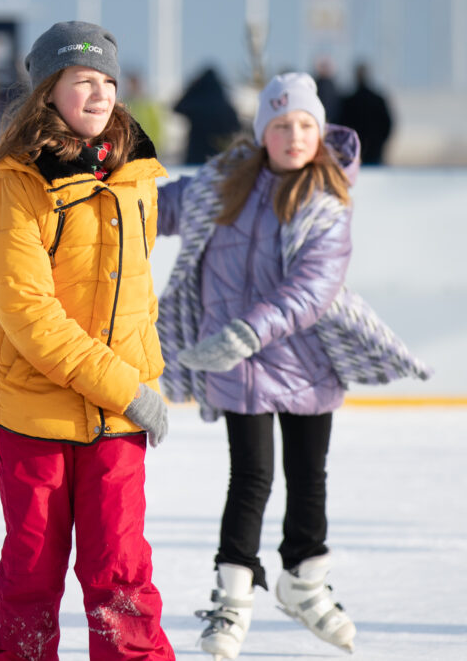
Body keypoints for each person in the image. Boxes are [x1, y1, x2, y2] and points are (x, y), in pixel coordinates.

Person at [155, 72, 431, 659]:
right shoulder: (222, 184)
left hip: (304, 361)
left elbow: (314, 288)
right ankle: (232, 596)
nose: (294, 135)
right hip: (239, 368)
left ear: (320, 129)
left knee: (309, 479)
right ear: (263, 133)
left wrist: (247, 331)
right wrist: (107, 182)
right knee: (250, 479)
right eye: (281, 125)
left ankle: (303, 583)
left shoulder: (326, 201)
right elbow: (162, 207)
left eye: (306, 124)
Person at [0, 21, 174, 660]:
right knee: (31, 578)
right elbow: (33, 320)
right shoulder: (17, 189)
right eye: (83, 81)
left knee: (121, 577)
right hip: (34, 410)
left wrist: (150, 373)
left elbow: (137, 296)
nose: (100, 94)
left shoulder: (135, 177)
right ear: (48, 92)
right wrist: (130, 388)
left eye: (108, 81)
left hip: (115, 416)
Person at [173, 65, 241, 164]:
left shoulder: (195, 102)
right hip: (219, 157)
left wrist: (193, 88)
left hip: (196, 154)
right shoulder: (223, 103)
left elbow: (178, 107)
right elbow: (236, 126)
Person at [338, 61, 393, 165]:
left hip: (355, 151)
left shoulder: (349, 101)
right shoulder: (377, 100)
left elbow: (342, 125)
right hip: (374, 150)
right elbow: (387, 124)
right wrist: (380, 142)